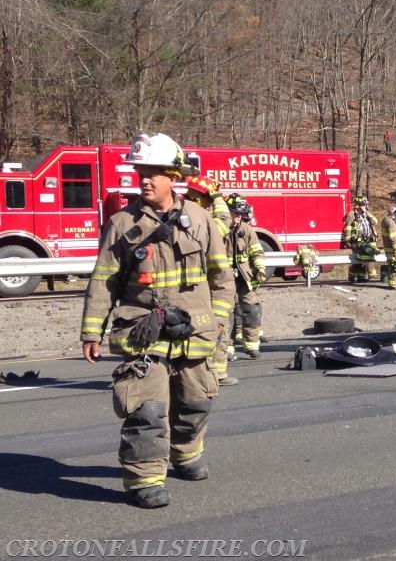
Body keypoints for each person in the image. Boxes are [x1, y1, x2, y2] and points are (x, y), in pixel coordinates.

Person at [80, 133, 234, 509]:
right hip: (142, 331)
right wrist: (91, 331)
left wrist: (218, 322)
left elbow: (222, 278)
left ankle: (184, 454)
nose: (145, 179)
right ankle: (144, 477)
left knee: (197, 402)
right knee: (146, 409)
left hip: (196, 331)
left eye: (154, 172)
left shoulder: (200, 219)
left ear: (173, 177)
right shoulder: (121, 224)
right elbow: (104, 281)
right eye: (140, 172)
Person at [183, 175, 239, 386]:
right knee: (214, 329)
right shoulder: (199, 222)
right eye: (207, 200)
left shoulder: (184, 215)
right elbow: (224, 222)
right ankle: (210, 376)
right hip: (206, 286)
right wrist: (216, 196)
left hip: (201, 284)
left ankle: (215, 373)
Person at [225, 193, 268, 359]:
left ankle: (251, 345)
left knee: (252, 308)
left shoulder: (247, 230)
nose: (237, 217)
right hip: (224, 279)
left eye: (240, 214)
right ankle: (227, 348)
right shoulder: (219, 230)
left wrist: (260, 269)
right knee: (226, 313)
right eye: (234, 213)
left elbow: (257, 251)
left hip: (244, 278)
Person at [341, 194, 380, 283]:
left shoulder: (366, 214)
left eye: (366, 204)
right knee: (358, 260)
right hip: (357, 241)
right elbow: (348, 227)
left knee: (364, 259)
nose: (366, 206)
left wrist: (367, 213)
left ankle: (361, 277)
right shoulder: (352, 214)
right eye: (364, 204)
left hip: (368, 240)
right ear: (359, 205)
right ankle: (352, 276)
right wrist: (347, 241)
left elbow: (375, 221)